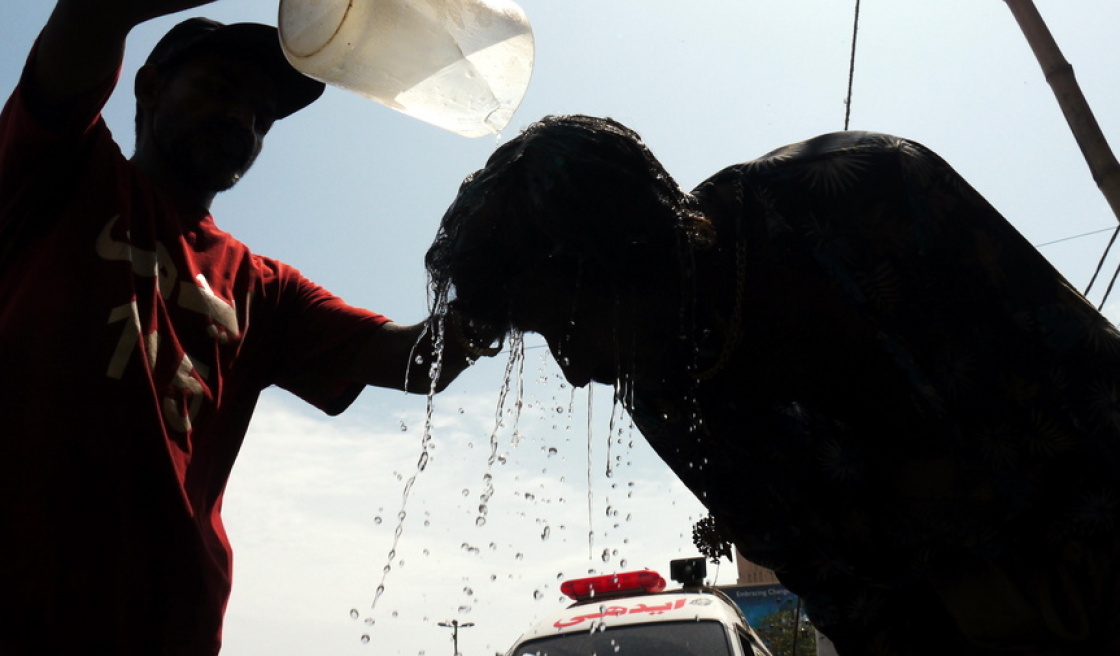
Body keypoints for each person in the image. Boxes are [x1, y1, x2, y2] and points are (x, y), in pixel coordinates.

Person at [425, 114, 1120, 655]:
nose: (574, 371)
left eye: (568, 324)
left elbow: (1093, 386)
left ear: (630, 256)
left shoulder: (856, 193)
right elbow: (843, 595)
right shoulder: (664, 391)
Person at [0, 1, 485, 653]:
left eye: (262, 116)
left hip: (161, 629)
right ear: (149, 88)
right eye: (220, 89)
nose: (242, 119)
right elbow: (93, 14)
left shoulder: (266, 289)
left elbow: (418, 360)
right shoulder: (62, 170)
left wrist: (504, 281)